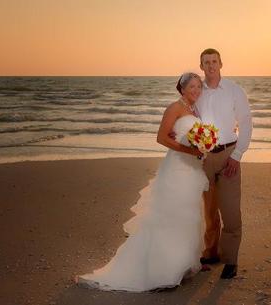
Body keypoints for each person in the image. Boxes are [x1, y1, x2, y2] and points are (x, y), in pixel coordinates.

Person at [76, 73, 208, 292]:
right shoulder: (174, 108)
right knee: (170, 215)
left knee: (188, 215)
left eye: (199, 87)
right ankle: (163, 271)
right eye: (192, 86)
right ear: (182, 89)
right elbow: (161, 137)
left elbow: (193, 138)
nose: (196, 90)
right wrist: (190, 150)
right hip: (177, 168)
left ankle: (181, 264)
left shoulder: (195, 110)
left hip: (193, 169)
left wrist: (201, 149)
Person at [195, 48, 252, 279]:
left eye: (214, 61)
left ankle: (231, 260)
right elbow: (189, 120)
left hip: (229, 154)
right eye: (206, 62)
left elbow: (246, 122)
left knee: (229, 211)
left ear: (221, 64)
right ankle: (211, 253)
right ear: (201, 66)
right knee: (209, 210)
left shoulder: (234, 90)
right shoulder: (196, 91)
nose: (210, 66)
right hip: (204, 157)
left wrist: (237, 155)